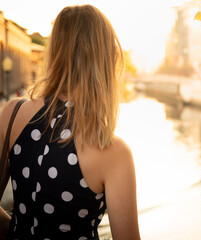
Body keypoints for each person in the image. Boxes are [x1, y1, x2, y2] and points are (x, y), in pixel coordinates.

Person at [0, 5, 140, 239]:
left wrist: (17, 231)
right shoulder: (112, 151)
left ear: (54, 52)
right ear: (108, 61)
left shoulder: (12, 113)